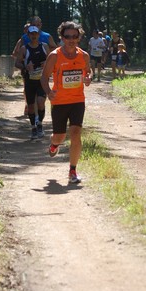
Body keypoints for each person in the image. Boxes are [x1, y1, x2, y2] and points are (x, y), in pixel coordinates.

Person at [41, 21, 92, 184]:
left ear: (79, 37)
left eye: (74, 36)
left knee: (76, 133)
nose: (71, 39)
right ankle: (54, 144)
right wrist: (49, 92)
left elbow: (88, 71)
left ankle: (73, 170)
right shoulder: (55, 56)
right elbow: (44, 77)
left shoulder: (84, 55)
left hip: (78, 100)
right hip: (60, 101)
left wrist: (88, 78)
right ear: (62, 37)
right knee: (59, 136)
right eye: (67, 36)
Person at [15, 26, 50, 140]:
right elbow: (17, 63)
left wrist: (46, 64)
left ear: (39, 35)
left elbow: (52, 61)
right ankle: (33, 128)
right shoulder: (24, 49)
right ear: (28, 36)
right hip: (29, 81)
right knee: (30, 107)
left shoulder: (44, 47)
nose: (34, 36)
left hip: (42, 80)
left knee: (40, 102)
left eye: (36, 34)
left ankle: (39, 123)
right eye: (32, 34)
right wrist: (25, 66)